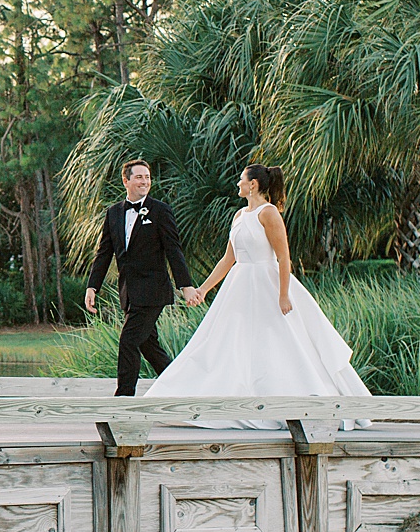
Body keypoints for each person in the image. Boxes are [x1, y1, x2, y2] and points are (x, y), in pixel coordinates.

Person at [150, 163, 373, 428]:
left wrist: (283, 294)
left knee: (280, 340)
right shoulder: (240, 216)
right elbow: (228, 258)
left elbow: (283, 256)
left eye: (241, 180)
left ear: (253, 184)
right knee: (228, 340)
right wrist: (204, 289)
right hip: (239, 286)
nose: (238, 184)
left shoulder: (269, 214)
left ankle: (301, 401)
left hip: (265, 283)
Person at [83, 159, 199, 396]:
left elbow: (173, 250)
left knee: (128, 341)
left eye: (147, 177)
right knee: (149, 346)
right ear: (126, 181)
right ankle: (182, 390)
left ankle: (123, 402)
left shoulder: (160, 211)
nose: (145, 181)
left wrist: (185, 285)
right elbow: (104, 253)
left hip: (153, 291)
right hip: (129, 293)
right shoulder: (113, 213)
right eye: (139, 177)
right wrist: (92, 287)